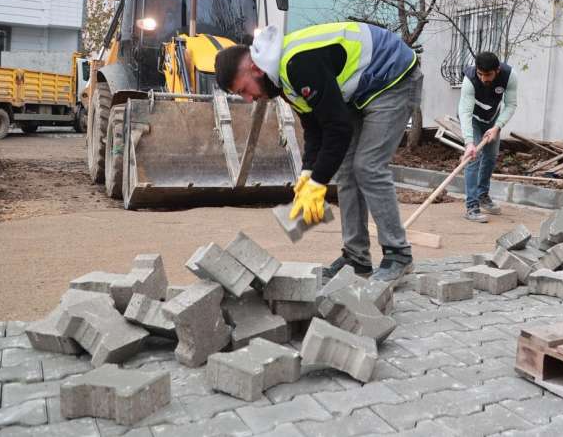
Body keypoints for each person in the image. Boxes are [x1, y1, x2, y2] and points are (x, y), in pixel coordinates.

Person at [214, 22, 422, 282]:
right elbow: (314, 128)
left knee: (367, 166)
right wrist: (307, 174)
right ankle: (356, 260)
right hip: (362, 91)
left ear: (254, 68)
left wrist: (318, 182)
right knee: (346, 170)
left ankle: (398, 255)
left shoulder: (297, 64)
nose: (248, 99)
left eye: (244, 89)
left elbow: (338, 129)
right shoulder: (280, 80)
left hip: (393, 75)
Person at [458, 51, 518, 223]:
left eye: (488, 75)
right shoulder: (470, 80)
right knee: (473, 158)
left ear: (497, 70)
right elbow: (465, 112)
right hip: (473, 120)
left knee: (491, 157)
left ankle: (483, 195)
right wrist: (469, 142)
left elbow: (511, 104)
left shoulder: (509, 76)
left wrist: (497, 127)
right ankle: (472, 206)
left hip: (493, 120)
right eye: (480, 74)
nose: (484, 78)